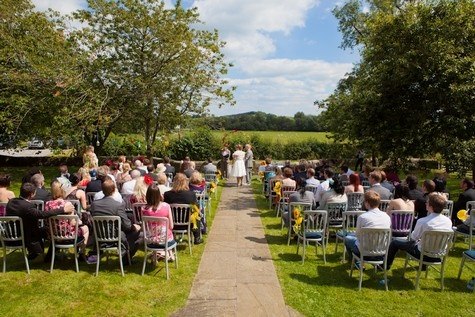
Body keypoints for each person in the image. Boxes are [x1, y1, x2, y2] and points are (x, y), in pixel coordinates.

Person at [6, 182, 75, 259]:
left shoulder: (11, 202)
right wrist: (63, 209)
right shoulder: (28, 207)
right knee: (54, 231)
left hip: (10, 235)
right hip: (25, 237)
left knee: (49, 230)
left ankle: (49, 255)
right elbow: (42, 214)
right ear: (32, 194)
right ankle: (44, 254)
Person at [386, 193, 452, 270]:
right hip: (439, 253)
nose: (425, 203)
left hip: (422, 253)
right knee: (423, 243)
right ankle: (423, 267)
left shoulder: (423, 221)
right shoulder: (448, 221)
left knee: (394, 243)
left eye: (427, 202)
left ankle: (386, 266)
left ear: (430, 207)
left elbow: (413, 238)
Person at [89, 179, 142, 263]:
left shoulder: (94, 204)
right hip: (116, 236)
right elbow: (127, 226)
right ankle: (126, 259)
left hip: (99, 235)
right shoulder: (118, 205)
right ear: (114, 190)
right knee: (141, 234)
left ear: (102, 190)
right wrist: (135, 227)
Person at [344, 191, 391, 268]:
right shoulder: (387, 216)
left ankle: (357, 262)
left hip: (364, 250)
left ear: (367, 203)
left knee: (347, 239)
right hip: (381, 250)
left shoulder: (363, 217)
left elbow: (357, 235)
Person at [46, 180, 90, 259]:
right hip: (68, 236)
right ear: (62, 190)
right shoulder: (67, 204)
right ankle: (82, 254)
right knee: (85, 228)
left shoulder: (47, 204)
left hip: (54, 235)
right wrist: (79, 221)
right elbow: (73, 223)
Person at [164, 173, 202, 244]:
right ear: (185, 182)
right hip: (187, 224)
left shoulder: (167, 194)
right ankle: (197, 237)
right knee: (196, 213)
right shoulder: (191, 194)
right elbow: (196, 209)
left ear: (174, 182)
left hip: (171, 223)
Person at [142, 184, 176, 260]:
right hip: (164, 239)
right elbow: (171, 226)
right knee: (168, 231)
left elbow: (143, 226)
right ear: (158, 195)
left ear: (147, 195)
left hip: (149, 239)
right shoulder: (166, 206)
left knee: (163, 231)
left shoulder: (143, 209)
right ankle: (169, 254)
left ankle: (158, 254)